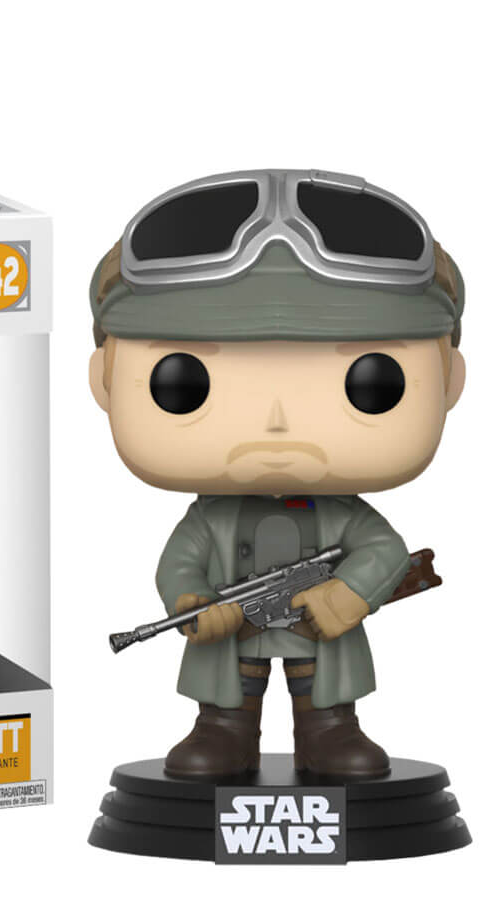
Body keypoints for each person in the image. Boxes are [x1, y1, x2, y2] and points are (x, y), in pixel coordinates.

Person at [88, 169, 465, 779]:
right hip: (238, 633)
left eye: (371, 384)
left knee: (326, 704)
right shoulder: (211, 518)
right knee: (228, 703)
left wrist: (349, 593)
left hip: (320, 629)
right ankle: (224, 733)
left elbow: (385, 549)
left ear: (449, 381)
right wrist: (190, 601)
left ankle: (329, 734)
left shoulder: (342, 515)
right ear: (104, 380)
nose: (277, 424)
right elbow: (178, 562)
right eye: (185, 383)